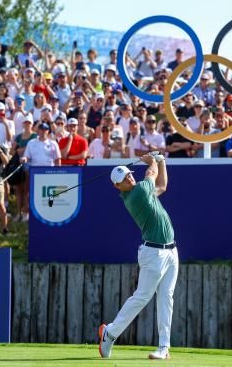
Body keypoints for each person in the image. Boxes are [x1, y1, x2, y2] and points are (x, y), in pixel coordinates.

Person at [99, 153, 178, 360]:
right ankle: (111, 332)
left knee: (166, 298)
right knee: (142, 297)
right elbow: (152, 173)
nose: (129, 178)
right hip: (154, 253)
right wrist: (152, 160)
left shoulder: (143, 191)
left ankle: (164, 347)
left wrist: (162, 161)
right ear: (118, 186)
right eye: (124, 179)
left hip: (171, 251)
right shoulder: (138, 194)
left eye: (129, 175)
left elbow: (162, 186)